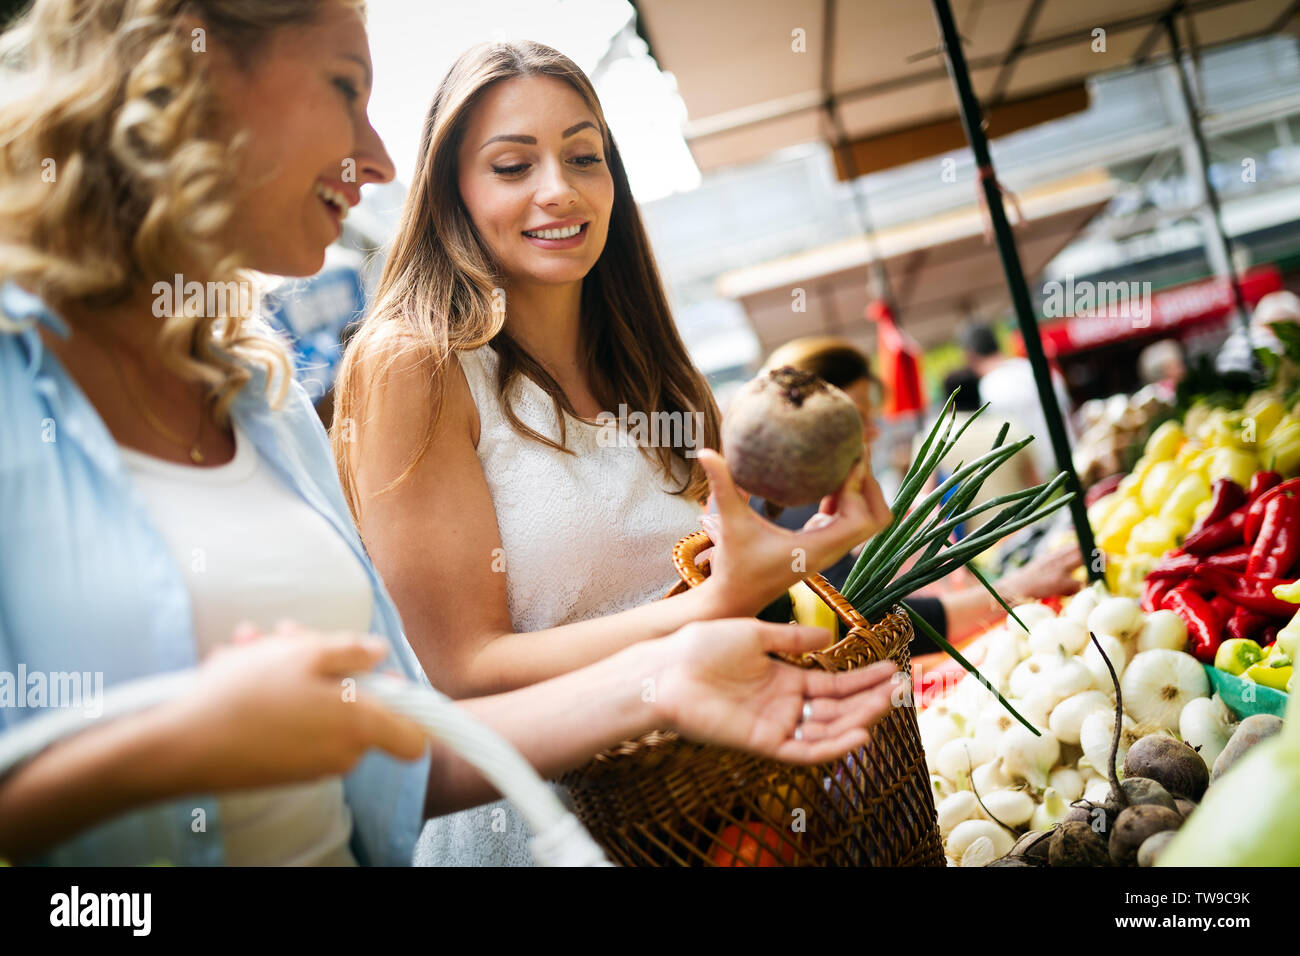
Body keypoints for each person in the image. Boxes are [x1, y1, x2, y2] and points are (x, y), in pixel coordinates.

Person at [0, 0, 898, 866]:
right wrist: (187, 743)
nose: (379, 159)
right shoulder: (30, 381)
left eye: (587, 156)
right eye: (346, 88)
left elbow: (400, 753)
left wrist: (676, 667)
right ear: (187, 76)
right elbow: (458, 674)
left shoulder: (258, 395)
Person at [329, 40, 893, 866]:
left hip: (716, 815)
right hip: (544, 831)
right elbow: (463, 671)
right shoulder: (418, 363)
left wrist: (808, 549)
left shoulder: (653, 368)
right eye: (513, 166)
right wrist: (705, 610)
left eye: (584, 156)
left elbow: (709, 586)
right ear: (452, 189)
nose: (560, 189)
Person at [748, 338, 1080, 650]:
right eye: (860, 416)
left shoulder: (794, 497)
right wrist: (1016, 588)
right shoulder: (787, 506)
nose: (874, 431)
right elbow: (869, 619)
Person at [961, 321, 1076, 479]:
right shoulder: (1035, 368)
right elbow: (1069, 413)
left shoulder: (988, 389)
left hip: (1039, 485)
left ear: (970, 355)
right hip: (1074, 465)